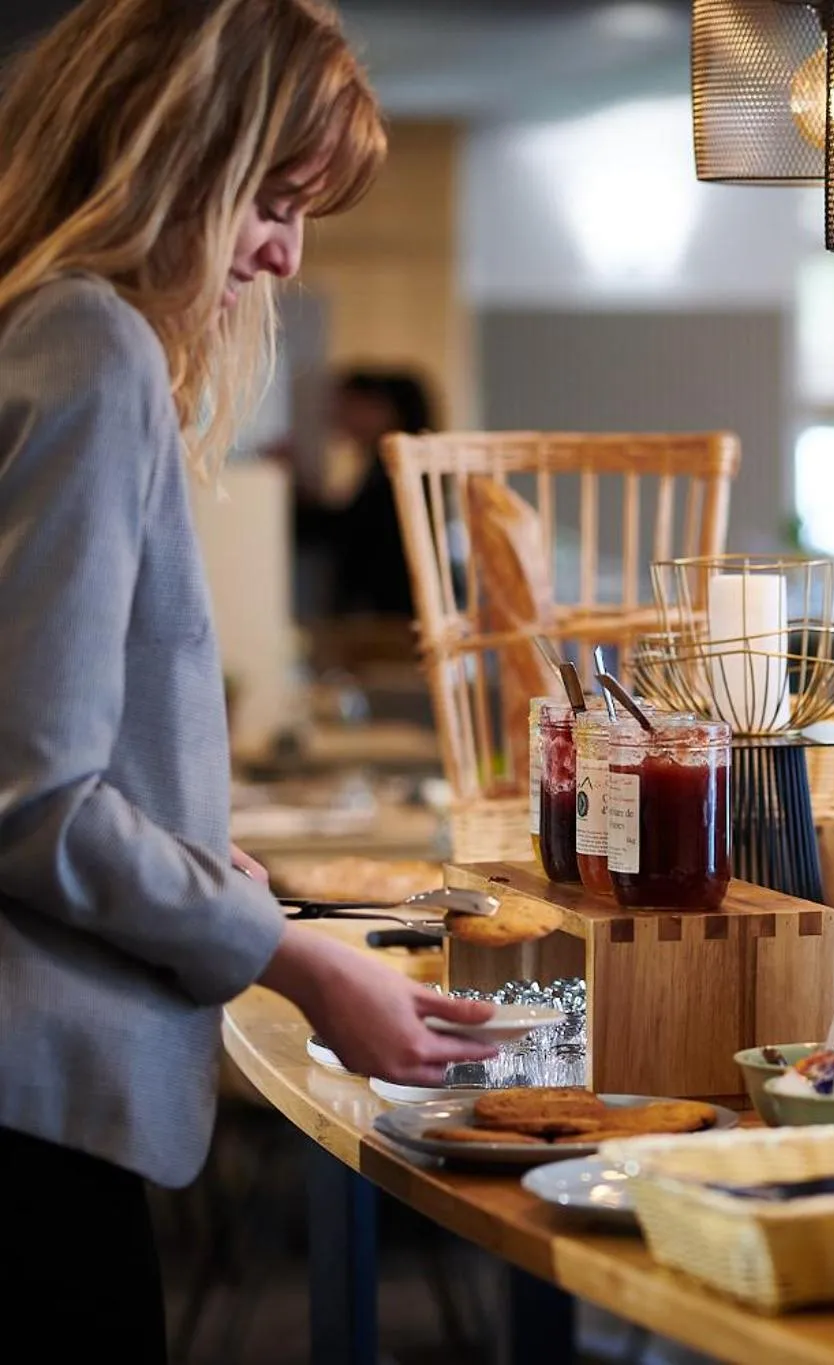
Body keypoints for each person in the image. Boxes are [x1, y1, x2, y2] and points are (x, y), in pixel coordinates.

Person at [0, 3, 499, 1356]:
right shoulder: (88, 346)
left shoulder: (36, 334)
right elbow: (33, 799)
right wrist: (293, 959)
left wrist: (188, 857)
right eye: (270, 199)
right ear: (171, 155)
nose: (283, 252)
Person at [295, 368, 434, 617]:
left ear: (382, 410)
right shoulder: (393, 471)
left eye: (349, 406)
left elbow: (350, 532)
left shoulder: (394, 474)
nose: (335, 416)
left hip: (386, 614)